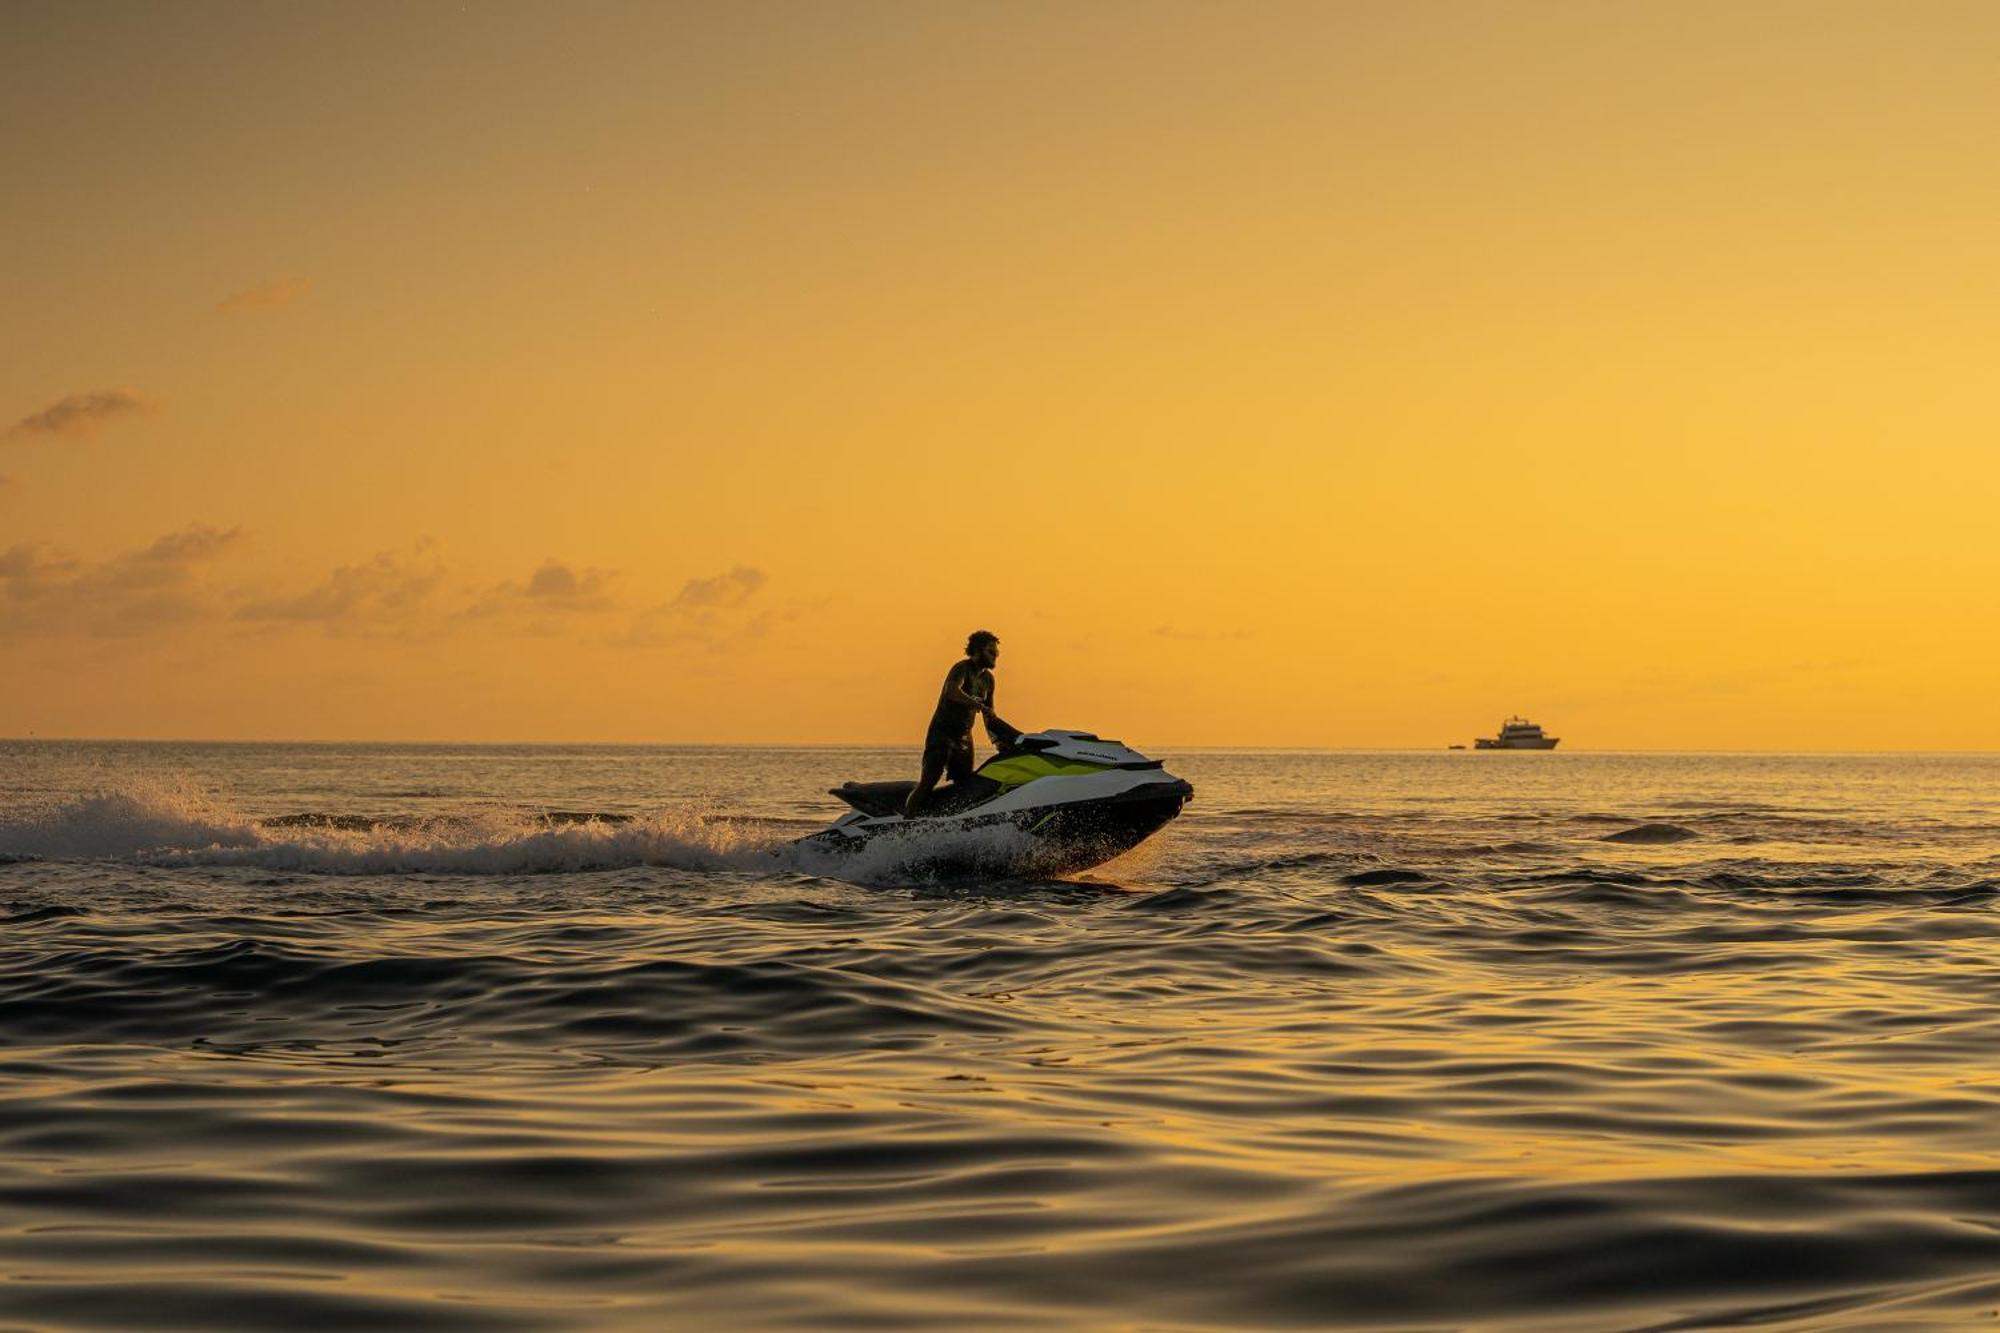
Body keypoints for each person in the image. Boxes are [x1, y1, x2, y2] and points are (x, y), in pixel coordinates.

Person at [904, 630, 1019, 817]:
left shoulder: (988, 679)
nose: (995, 655)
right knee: (929, 781)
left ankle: (953, 820)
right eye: (991, 651)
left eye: (996, 652)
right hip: (942, 734)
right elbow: (952, 691)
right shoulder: (962, 668)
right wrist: (975, 703)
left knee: (966, 786)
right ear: (977, 651)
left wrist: (1004, 742)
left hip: (964, 739)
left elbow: (990, 715)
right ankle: (905, 820)